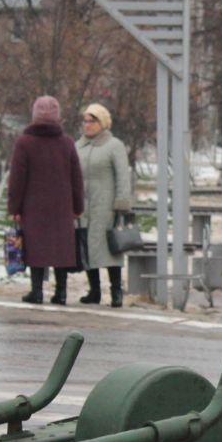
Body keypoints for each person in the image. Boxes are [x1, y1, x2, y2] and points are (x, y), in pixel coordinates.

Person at [9, 95, 85, 306]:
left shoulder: (24, 142)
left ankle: (37, 291)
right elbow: (76, 177)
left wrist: (14, 207)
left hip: (33, 206)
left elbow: (17, 178)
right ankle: (61, 293)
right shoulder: (67, 143)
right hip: (62, 206)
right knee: (61, 249)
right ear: (57, 117)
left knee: (36, 248)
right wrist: (78, 206)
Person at [75, 102, 134, 308]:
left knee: (110, 249)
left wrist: (121, 203)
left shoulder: (114, 145)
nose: (87, 125)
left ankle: (116, 291)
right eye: (85, 121)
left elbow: (122, 177)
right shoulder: (79, 146)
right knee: (89, 248)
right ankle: (94, 290)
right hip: (83, 207)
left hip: (106, 207)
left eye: (92, 121)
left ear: (102, 123)